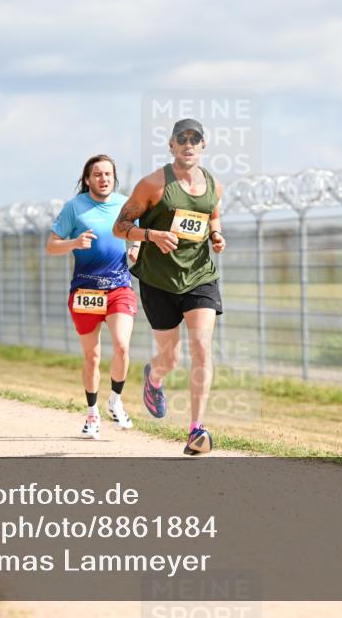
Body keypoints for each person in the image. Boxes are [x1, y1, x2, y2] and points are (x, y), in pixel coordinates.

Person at [113, 119, 226, 455]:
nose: (188, 145)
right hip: (158, 280)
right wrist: (151, 235)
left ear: (204, 145)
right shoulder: (152, 185)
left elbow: (212, 215)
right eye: (182, 139)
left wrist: (217, 235)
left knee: (202, 348)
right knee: (171, 358)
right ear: (172, 145)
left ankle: (196, 430)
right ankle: (155, 377)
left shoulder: (214, 186)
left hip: (200, 277)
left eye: (195, 139)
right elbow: (121, 226)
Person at [47, 154, 140, 439]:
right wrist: (75, 242)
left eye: (108, 174)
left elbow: (136, 233)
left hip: (119, 287)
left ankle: (115, 400)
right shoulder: (75, 208)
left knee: (122, 346)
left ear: (114, 178)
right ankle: (91, 414)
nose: (103, 179)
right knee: (92, 355)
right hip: (86, 291)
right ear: (87, 179)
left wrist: (135, 247)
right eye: (97, 174)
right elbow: (51, 246)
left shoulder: (126, 205)